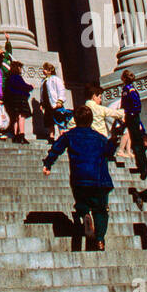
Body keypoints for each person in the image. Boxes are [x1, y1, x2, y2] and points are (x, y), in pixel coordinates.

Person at [42, 104, 119, 250]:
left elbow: (56, 148)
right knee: (101, 210)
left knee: (81, 202)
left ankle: (84, 215)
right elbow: (109, 152)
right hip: (100, 179)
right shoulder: (100, 138)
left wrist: (48, 164)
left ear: (75, 120)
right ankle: (100, 239)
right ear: (91, 120)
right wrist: (114, 141)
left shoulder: (69, 136)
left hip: (80, 178)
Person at [118, 70, 147, 180]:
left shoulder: (130, 90)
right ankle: (141, 166)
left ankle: (143, 168)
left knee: (137, 143)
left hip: (133, 117)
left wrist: (131, 114)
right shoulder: (126, 89)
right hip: (130, 117)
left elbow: (136, 104)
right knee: (135, 143)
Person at [4, 61, 34, 143]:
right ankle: (21, 135)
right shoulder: (17, 77)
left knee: (15, 117)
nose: (21, 69)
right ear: (17, 68)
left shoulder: (9, 78)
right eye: (20, 67)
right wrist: (31, 86)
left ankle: (16, 135)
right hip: (20, 99)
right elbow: (23, 86)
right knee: (21, 117)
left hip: (12, 100)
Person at [40, 62, 71, 142]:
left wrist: (60, 100)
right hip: (47, 105)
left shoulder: (55, 79)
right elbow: (42, 93)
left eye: (45, 69)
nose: (44, 71)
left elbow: (61, 90)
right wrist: (41, 102)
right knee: (49, 122)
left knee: (60, 120)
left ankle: (63, 136)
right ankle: (51, 136)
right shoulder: (43, 81)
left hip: (55, 104)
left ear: (50, 70)